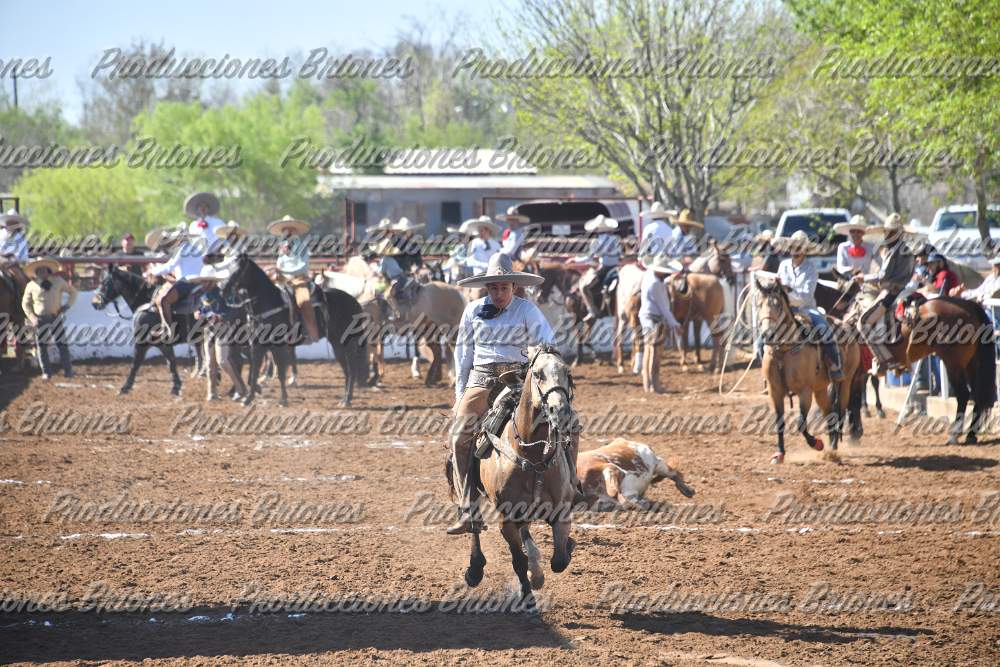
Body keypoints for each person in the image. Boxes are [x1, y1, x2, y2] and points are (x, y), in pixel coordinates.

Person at [447, 253, 556, 535]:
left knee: (560, 422)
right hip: (481, 381)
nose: (499, 293)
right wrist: (460, 395)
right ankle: (467, 508)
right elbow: (463, 355)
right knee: (458, 436)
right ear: (487, 288)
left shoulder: (527, 310)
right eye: (494, 288)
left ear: (514, 287)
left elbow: (547, 343)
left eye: (504, 287)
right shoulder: (472, 310)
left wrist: (540, 361)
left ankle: (567, 486)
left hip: (519, 380)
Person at [776, 230, 844, 380]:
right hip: (784, 309)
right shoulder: (783, 266)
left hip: (805, 309)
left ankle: (834, 365)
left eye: (799, 248)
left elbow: (806, 297)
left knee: (823, 327)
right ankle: (767, 367)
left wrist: (788, 291)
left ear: (805, 250)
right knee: (766, 330)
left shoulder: (811, 269)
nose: (796, 251)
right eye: (793, 247)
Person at [855, 213, 917, 372]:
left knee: (863, 322)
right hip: (906, 290)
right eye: (886, 232)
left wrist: (864, 278)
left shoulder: (893, 250)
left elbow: (883, 275)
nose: (886, 235)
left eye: (888, 232)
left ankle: (884, 358)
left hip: (891, 292)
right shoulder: (908, 250)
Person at [191, 258, 241, 401]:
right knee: (209, 363)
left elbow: (233, 310)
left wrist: (220, 316)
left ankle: (240, 387)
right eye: (202, 281)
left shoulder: (223, 293)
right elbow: (202, 309)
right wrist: (197, 313)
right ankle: (211, 392)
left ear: (212, 281)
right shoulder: (202, 295)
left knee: (222, 361)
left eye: (205, 281)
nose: (203, 283)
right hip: (209, 329)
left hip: (223, 328)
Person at [21, 258, 77, 379]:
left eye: (44, 269)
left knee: (62, 344)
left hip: (55, 317)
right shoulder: (31, 285)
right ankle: (46, 372)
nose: (42, 272)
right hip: (39, 319)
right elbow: (25, 304)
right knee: (42, 346)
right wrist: (32, 318)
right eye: (39, 270)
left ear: (48, 270)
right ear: (36, 272)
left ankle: (68, 371)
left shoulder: (58, 281)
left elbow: (73, 292)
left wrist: (67, 306)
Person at [269, 215, 319, 343]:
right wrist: (276, 271)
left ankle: (310, 333)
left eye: (288, 230)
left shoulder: (302, 248)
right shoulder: (282, 249)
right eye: (284, 230)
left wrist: (283, 271)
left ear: (294, 231)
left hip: (299, 280)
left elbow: (303, 267)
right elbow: (279, 264)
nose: (285, 233)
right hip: (281, 280)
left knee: (304, 302)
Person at [638, 255, 683, 393]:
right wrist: (675, 324)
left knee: (649, 348)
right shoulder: (656, 284)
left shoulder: (649, 276)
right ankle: (654, 383)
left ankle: (648, 383)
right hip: (653, 318)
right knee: (655, 350)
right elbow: (663, 307)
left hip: (647, 316)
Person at [146, 223, 201, 335]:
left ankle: (169, 330)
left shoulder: (182, 249)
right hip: (197, 282)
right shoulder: (196, 248)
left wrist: (153, 271)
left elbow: (169, 266)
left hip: (186, 283)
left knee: (163, 300)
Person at [577, 214, 622, 322]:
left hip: (604, 268)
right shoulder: (616, 239)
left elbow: (589, 257)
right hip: (616, 267)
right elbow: (620, 255)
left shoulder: (596, 241)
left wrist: (575, 259)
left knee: (584, 287)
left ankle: (592, 310)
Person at [0, 209, 30, 293]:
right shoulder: (0, 234)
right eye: (9, 222)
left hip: (12, 264)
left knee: (20, 278)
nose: (10, 225)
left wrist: (11, 260)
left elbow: (23, 257)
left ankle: (23, 296)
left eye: (12, 223)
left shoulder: (20, 238)